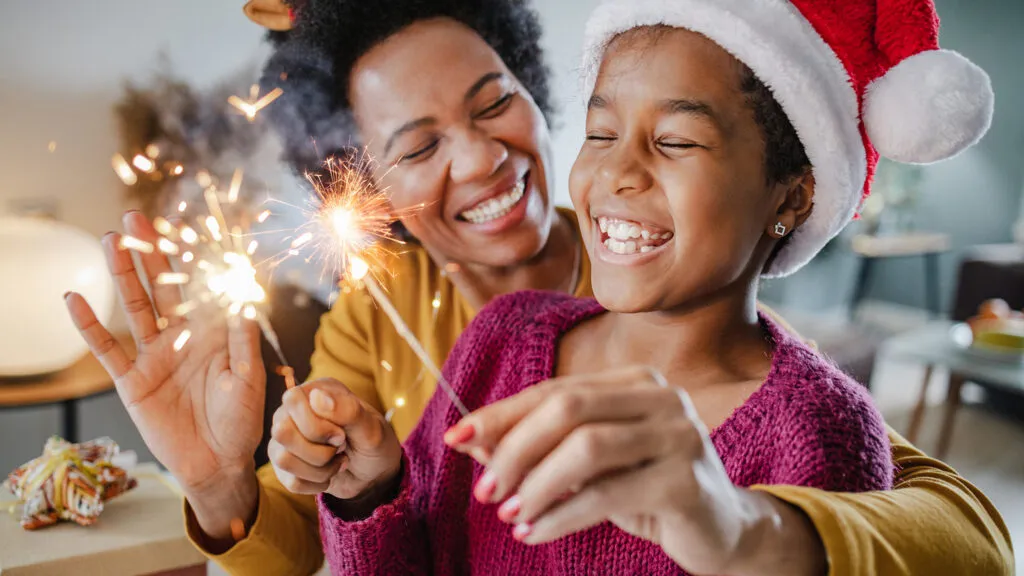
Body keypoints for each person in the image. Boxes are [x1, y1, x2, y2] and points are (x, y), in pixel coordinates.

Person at [63, 0, 1013, 574]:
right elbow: (357, 545)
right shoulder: (429, 325)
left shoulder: (794, 402)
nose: (480, 158)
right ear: (364, 182)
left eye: (494, 103)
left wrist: (742, 529)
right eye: (419, 145)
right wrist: (232, 484)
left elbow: (952, 529)